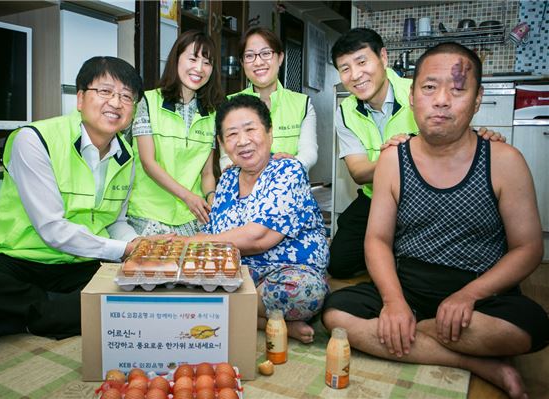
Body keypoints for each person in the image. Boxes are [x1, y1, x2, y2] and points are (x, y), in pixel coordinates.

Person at [322, 43, 549, 399]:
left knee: (529, 327)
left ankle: (408, 336)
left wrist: (468, 296)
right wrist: (394, 302)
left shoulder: (504, 160)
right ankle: (473, 361)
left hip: (480, 295)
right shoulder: (394, 159)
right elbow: (377, 240)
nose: (442, 100)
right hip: (409, 286)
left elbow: (529, 247)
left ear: (477, 100)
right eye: (429, 88)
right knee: (335, 315)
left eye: (458, 90)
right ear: (412, 97)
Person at [0, 56, 163, 360]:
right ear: (80, 98)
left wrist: (134, 244)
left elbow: (116, 221)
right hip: (22, 262)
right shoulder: (34, 139)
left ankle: (4, 320)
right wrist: (123, 250)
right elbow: (51, 229)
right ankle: (53, 311)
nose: (116, 102)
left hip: (82, 265)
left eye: (126, 96)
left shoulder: (127, 156)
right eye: (104, 91)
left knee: (144, 287)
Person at [328, 28, 505, 279]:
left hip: (427, 194)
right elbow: (358, 172)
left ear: (383, 58)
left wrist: (480, 138)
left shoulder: (419, 91)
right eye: (345, 68)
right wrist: (396, 157)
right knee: (338, 263)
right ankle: (389, 253)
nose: (356, 75)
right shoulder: (345, 111)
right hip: (376, 194)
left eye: (362, 61)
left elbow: (453, 132)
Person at [194, 95, 329, 343]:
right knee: (189, 280)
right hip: (241, 274)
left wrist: (199, 241)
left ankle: (223, 311)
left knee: (304, 292)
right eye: (232, 135)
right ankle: (267, 321)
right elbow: (216, 237)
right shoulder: (226, 180)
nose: (243, 141)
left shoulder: (288, 170)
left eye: (250, 130)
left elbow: (259, 237)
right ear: (222, 143)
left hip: (288, 272)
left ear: (269, 132)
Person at [127, 30, 224, 237]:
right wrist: (187, 197)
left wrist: (211, 198)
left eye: (207, 62)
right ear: (176, 59)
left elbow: (207, 173)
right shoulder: (148, 102)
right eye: (192, 58)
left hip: (192, 216)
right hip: (149, 214)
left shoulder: (212, 114)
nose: (199, 68)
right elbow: (148, 163)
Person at [219, 27, 318, 173]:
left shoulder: (302, 104)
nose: (258, 62)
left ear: (280, 58)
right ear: (242, 63)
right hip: (244, 190)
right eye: (250, 56)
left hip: (288, 187)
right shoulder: (229, 105)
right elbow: (226, 158)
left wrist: (291, 165)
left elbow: (309, 153)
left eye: (266, 53)